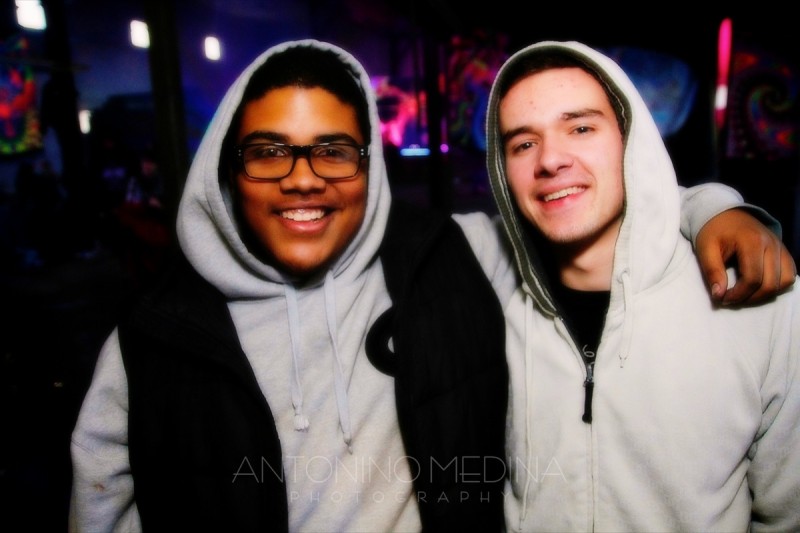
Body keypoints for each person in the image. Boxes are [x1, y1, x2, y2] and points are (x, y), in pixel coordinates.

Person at [69, 40, 794, 532]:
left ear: (369, 164)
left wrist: (715, 208)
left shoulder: (445, 262)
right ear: (227, 168)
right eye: (268, 152)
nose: (302, 177)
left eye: (333, 151)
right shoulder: (157, 335)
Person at [483, 40, 799, 531]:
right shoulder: (488, 292)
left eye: (581, 128)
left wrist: (713, 206)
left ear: (632, 142)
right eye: (523, 143)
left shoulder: (763, 302)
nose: (550, 160)